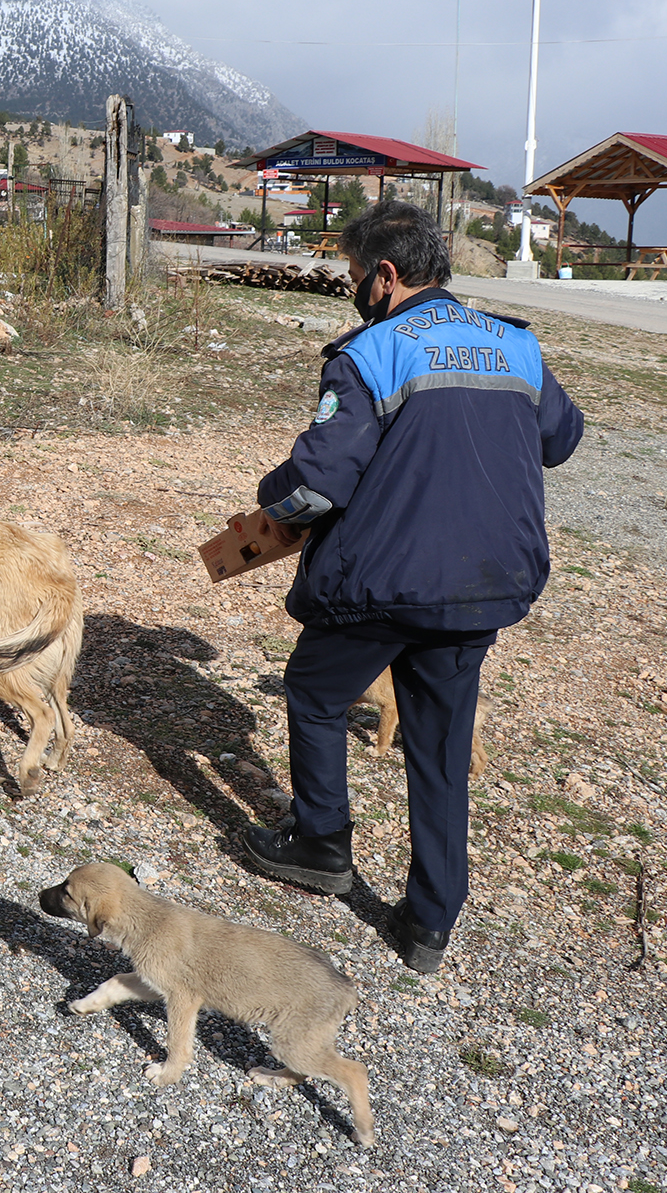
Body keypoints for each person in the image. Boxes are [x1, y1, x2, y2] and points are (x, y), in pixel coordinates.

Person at [241, 199, 585, 972]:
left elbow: (323, 481)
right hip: (489, 583)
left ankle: (322, 843)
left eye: (355, 278)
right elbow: (562, 439)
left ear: (386, 276)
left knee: (316, 689)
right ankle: (429, 921)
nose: (354, 290)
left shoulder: (370, 353)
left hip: (387, 578)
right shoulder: (517, 346)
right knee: (439, 744)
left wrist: (268, 504)